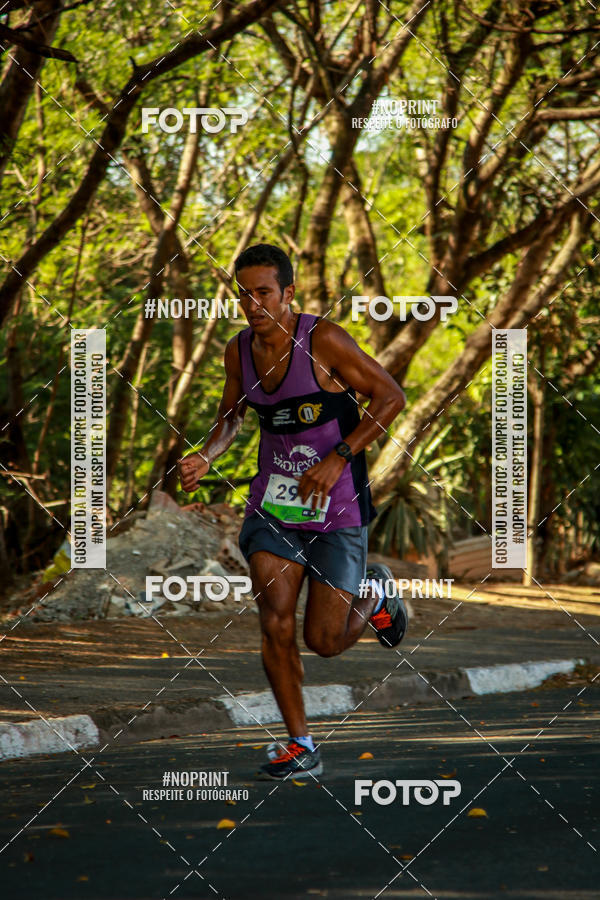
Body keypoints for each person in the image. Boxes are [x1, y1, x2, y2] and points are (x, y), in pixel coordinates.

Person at [178, 243, 408, 780]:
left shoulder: (322, 340)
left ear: (288, 294)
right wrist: (205, 455)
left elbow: (391, 397)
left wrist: (339, 457)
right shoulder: (238, 352)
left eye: (263, 293)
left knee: (324, 642)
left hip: (338, 507)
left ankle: (373, 592)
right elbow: (230, 418)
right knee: (274, 621)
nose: (253, 304)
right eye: (244, 294)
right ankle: (300, 743)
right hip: (274, 508)